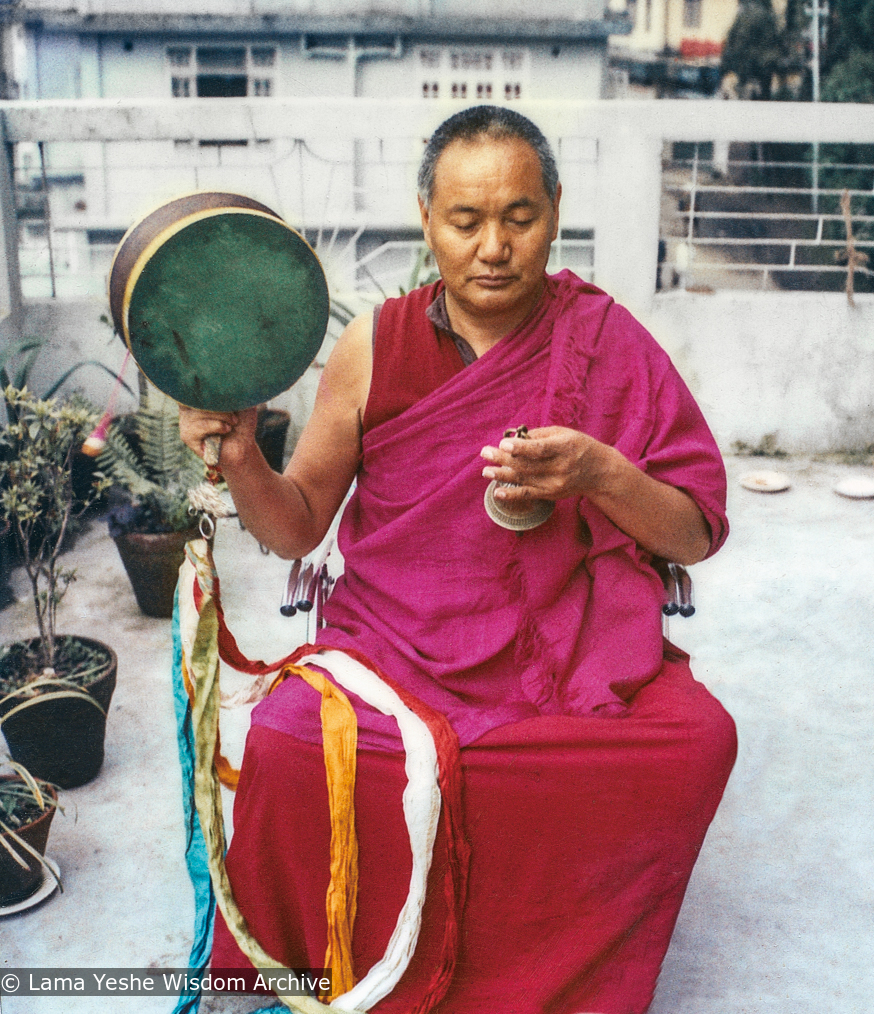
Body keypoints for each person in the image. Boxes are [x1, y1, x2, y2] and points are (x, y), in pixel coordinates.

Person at [181, 105, 736, 1014]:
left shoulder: (606, 340)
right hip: (395, 645)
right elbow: (298, 527)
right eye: (466, 220)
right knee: (285, 743)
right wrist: (241, 457)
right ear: (426, 218)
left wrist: (600, 473)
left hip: (564, 644)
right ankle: (317, 963)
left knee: (697, 742)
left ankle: (543, 976)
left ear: (555, 212)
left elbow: (693, 534)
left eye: (519, 217)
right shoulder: (374, 346)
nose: (493, 248)